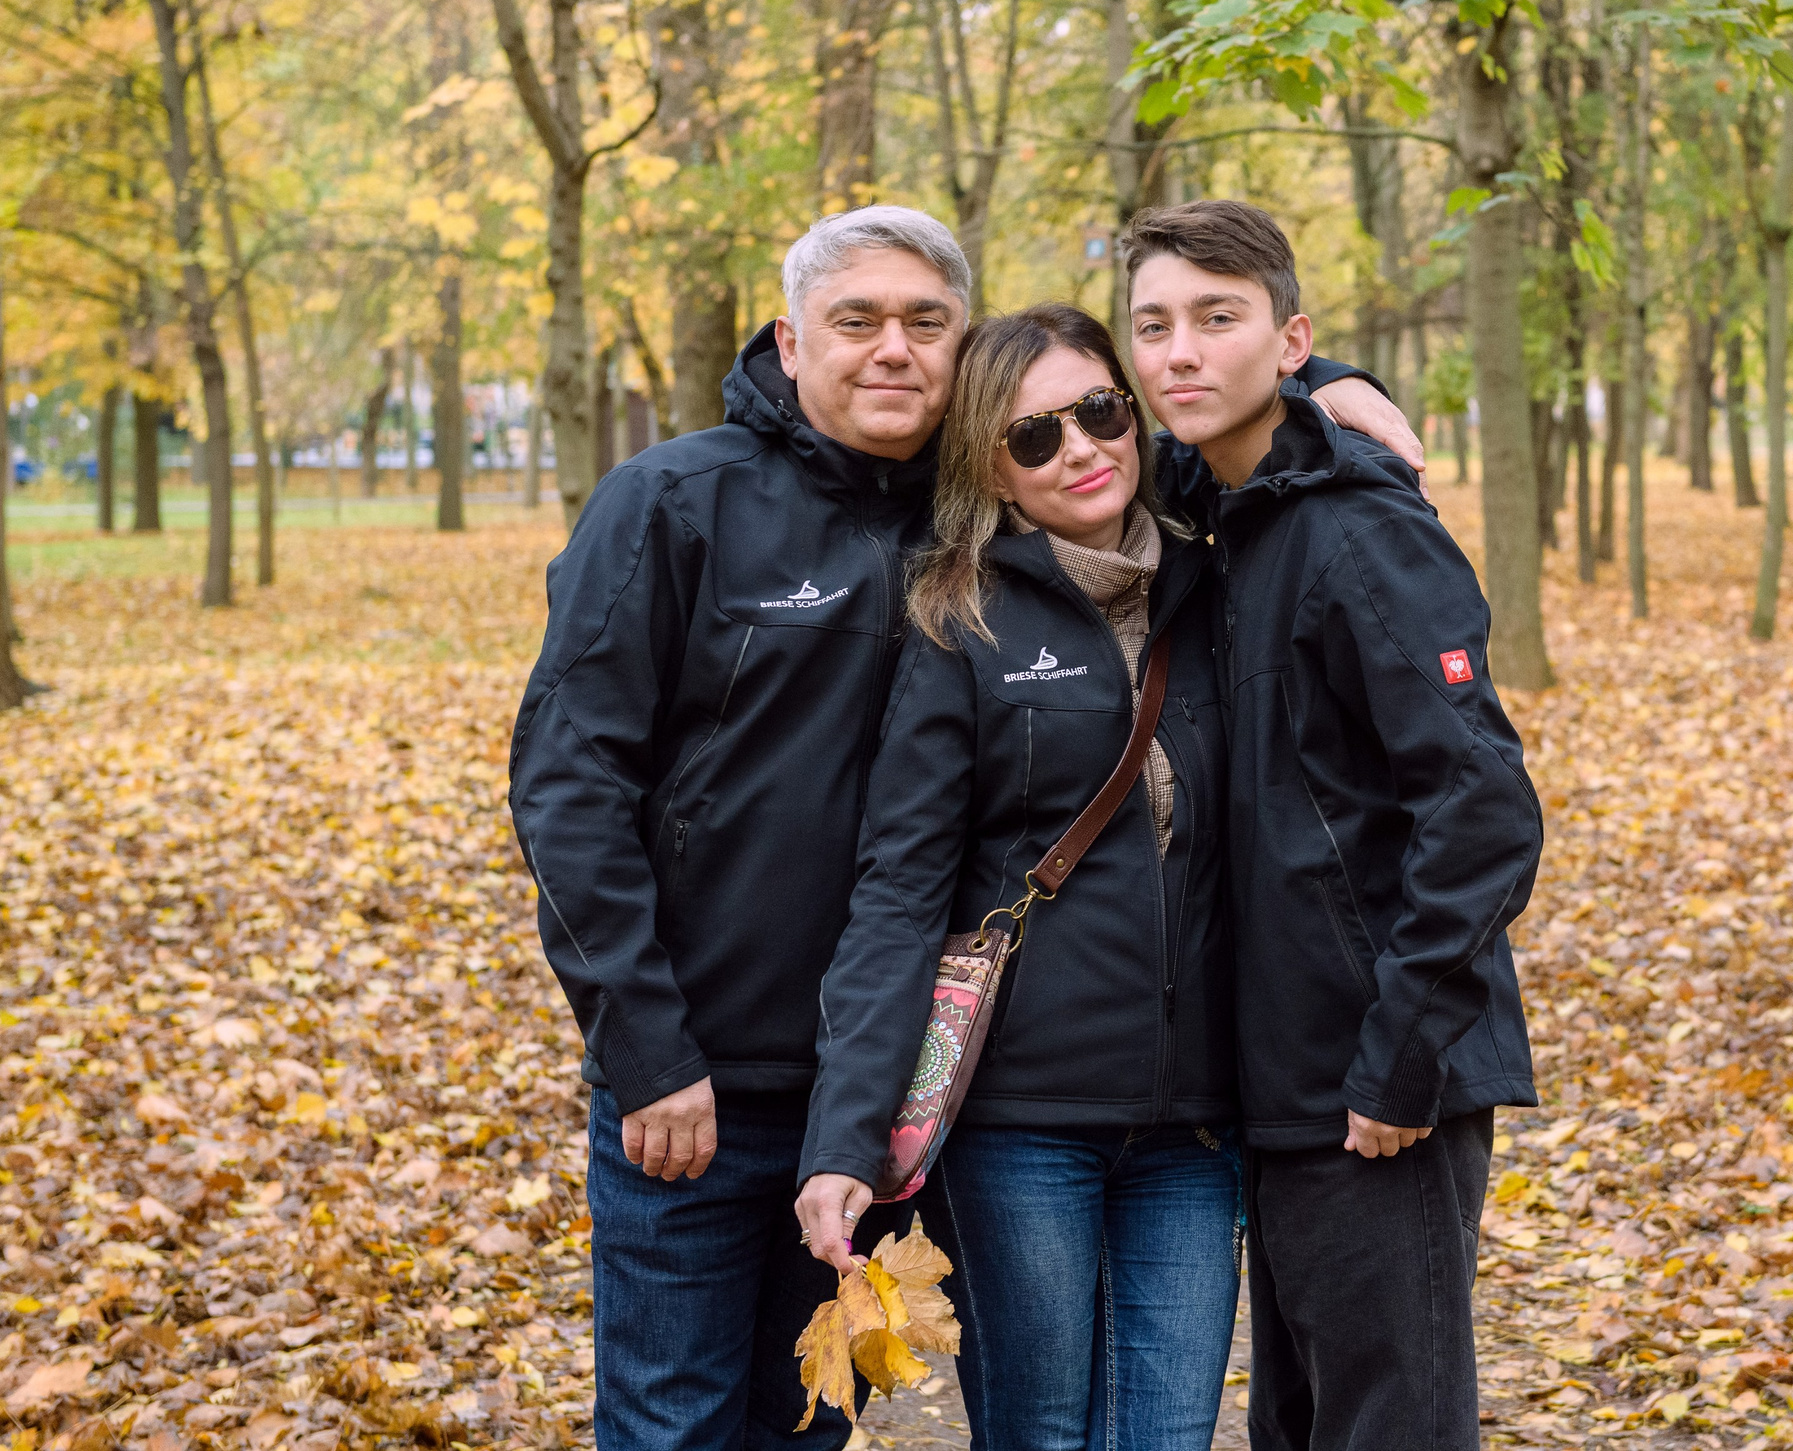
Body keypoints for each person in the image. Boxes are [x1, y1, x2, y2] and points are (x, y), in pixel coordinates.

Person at [508, 205, 1414, 1450]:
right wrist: (647, 1048)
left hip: (901, 1085)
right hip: (707, 1080)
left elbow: (1186, 420)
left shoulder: (999, 516)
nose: (892, 349)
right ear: (789, 335)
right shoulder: (677, 504)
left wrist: (1327, 378)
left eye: (925, 323)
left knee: (804, 1424)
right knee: (673, 1424)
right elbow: (567, 789)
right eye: (856, 320)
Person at [1124, 200, 1542, 1451]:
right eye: (1153, 327)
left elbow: (1483, 808)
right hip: (1282, 1075)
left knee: (1389, 1423)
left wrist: (1401, 1055)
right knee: (1301, 1424)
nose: (1179, 353)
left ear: (1288, 336)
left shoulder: (1362, 530)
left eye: (1218, 319)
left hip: (1373, 1077)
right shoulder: (1223, 511)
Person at [795, 304, 1240, 1451]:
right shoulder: (961, 622)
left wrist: (1337, 384)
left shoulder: (1220, 585)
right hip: (1021, 1124)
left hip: (1196, 1124)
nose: (1080, 449)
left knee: (1166, 1439)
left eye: (1098, 412)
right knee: (1039, 1436)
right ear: (988, 467)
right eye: (1032, 436)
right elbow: (898, 891)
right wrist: (845, 1139)